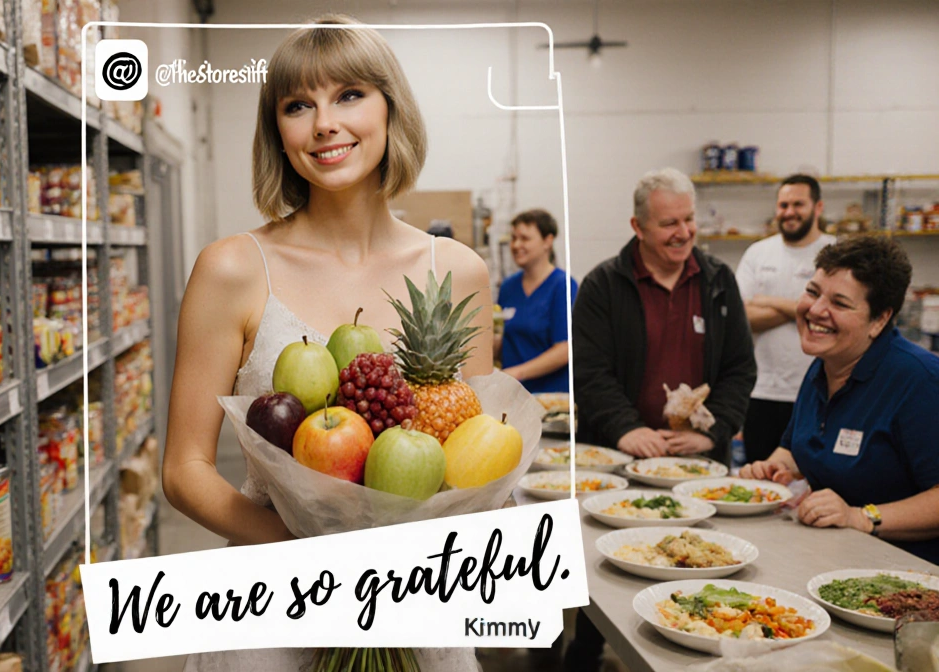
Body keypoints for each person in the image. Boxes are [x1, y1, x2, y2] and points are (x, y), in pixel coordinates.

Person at [160, 15, 491, 671]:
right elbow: (183, 471)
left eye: (349, 95)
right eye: (297, 105)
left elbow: (475, 459)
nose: (323, 124)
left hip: (416, 603)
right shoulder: (231, 268)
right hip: (273, 607)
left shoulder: (459, 270)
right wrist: (306, 545)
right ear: (277, 132)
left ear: (391, 109)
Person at [740, 236, 939, 564]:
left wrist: (861, 517)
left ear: (879, 320)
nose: (816, 310)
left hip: (903, 579)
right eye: (812, 292)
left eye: (840, 303)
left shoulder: (920, 381)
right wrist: (776, 468)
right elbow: (796, 447)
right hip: (827, 560)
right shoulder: (824, 365)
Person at [571, 167, 755, 463]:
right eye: (670, 223)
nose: (683, 233)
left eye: (689, 219)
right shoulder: (602, 286)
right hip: (616, 457)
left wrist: (711, 431)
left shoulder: (719, 282)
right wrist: (627, 428)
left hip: (698, 459)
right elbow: (588, 371)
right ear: (639, 227)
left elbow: (739, 368)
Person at [735, 175, 836, 464]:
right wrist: (802, 310)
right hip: (762, 390)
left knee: (815, 478)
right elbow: (741, 319)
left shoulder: (835, 253)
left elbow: (835, 318)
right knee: (760, 479)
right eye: (783, 204)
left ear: (818, 207)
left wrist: (767, 301)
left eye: (798, 204)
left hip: (820, 390)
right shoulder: (758, 252)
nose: (789, 211)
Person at [495, 209, 577, 393]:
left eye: (525, 238)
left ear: (548, 241)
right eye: (513, 238)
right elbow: (506, 338)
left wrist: (517, 373)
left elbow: (565, 349)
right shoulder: (508, 287)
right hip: (512, 396)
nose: (516, 245)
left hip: (550, 398)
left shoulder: (562, 286)